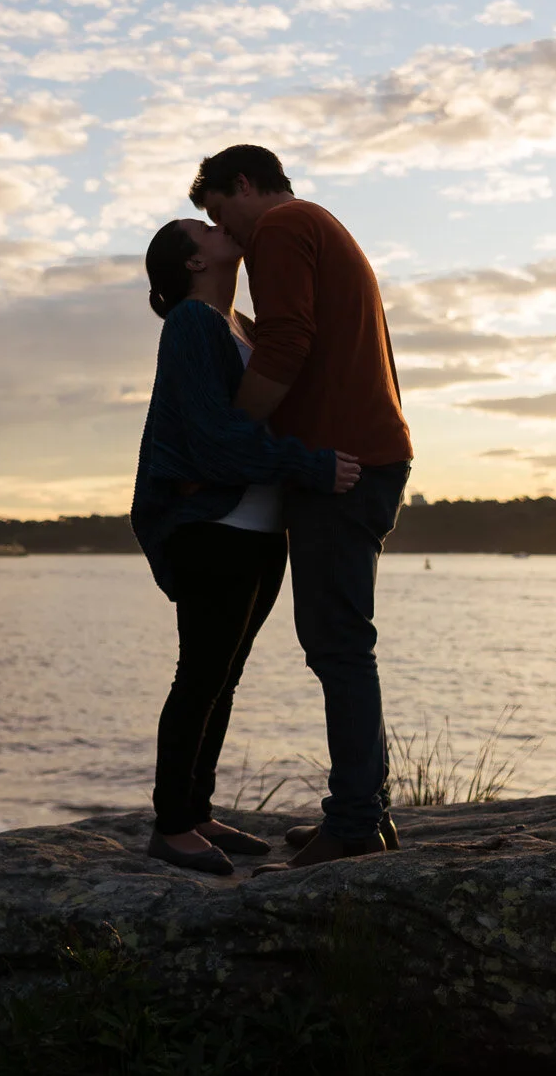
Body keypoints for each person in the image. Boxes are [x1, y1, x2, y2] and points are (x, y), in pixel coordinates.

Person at [190, 144, 414, 871]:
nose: (229, 235)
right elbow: (306, 342)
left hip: (342, 470)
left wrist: (227, 434)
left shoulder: (282, 228)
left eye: (223, 214)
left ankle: (353, 821)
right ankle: (363, 812)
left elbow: (289, 344)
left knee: (338, 644)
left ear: (246, 184)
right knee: (342, 642)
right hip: (368, 457)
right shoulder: (320, 227)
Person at [131, 215, 362, 876]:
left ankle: (197, 810)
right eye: (200, 229)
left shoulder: (241, 326)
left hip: (260, 530)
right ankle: (171, 826)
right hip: (212, 529)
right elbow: (211, 439)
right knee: (198, 676)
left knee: (223, 677)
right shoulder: (191, 324)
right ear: (194, 262)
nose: (217, 227)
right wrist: (312, 465)